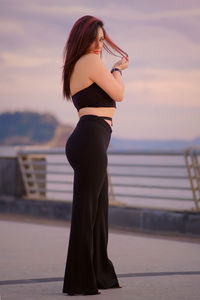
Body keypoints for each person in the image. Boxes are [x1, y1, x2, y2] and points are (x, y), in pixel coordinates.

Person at [62, 15, 129, 296]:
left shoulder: (77, 64)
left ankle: (100, 274)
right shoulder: (90, 62)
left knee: (98, 212)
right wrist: (117, 70)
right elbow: (118, 93)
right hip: (90, 139)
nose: (99, 45)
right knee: (87, 213)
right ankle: (80, 280)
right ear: (83, 38)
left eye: (102, 40)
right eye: (95, 39)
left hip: (91, 140)